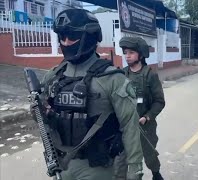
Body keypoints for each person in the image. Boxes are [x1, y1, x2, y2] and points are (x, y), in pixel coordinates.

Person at [39, 9, 143, 180]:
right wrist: (40, 112)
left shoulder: (112, 79)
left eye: (72, 36)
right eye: (62, 37)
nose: (66, 42)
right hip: (62, 165)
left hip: (98, 167)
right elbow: (42, 115)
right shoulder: (53, 76)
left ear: (90, 36)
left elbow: (130, 126)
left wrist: (135, 167)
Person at [113, 37, 165, 180]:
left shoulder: (150, 75)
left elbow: (159, 102)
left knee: (150, 156)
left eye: (131, 52)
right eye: (125, 52)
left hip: (145, 127)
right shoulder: (121, 75)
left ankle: (156, 174)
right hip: (125, 127)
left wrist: (147, 117)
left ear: (140, 55)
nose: (127, 56)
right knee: (120, 162)